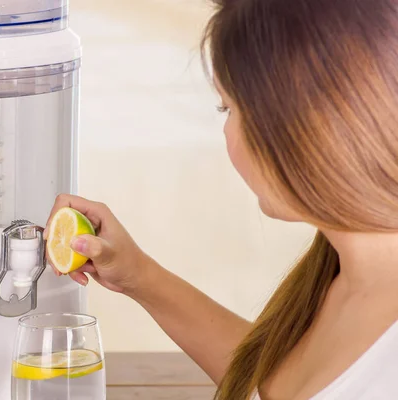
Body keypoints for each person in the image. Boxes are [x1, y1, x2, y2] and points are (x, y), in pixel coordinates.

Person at [46, 0, 398, 399]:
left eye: (227, 108)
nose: (226, 135)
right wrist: (138, 275)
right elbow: (270, 385)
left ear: (304, 119)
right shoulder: (340, 270)